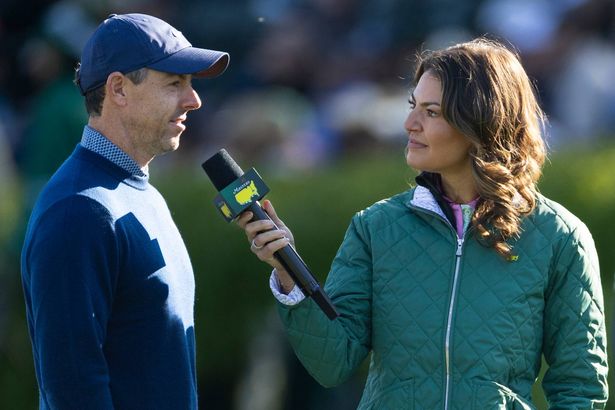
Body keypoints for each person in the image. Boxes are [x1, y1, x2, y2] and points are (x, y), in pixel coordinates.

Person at [238, 38, 608, 408]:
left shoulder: (560, 237)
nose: (409, 124)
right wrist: (287, 270)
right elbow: (332, 363)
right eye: (412, 106)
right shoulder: (375, 227)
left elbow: (580, 387)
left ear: (479, 122)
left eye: (431, 112)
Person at [20, 13, 229, 409]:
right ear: (118, 88)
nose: (193, 100)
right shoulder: (78, 210)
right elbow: (73, 389)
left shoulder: (139, 194)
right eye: (174, 83)